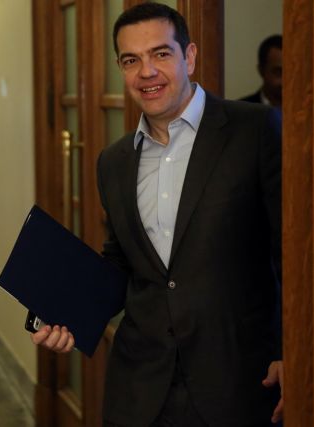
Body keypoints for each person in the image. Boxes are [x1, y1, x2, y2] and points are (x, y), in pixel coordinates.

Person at [32, 3, 283, 426]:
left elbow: (292, 252)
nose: (146, 72)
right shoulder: (113, 162)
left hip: (239, 381)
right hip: (140, 386)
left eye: (161, 54)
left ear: (190, 56)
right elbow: (122, 262)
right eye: (131, 60)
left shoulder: (256, 130)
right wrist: (68, 316)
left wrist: (291, 350)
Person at [239, 34, 282, 108]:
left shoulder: (303, 109)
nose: (286, 81)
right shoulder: (241, 109)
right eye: (278, 72)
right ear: (261, 70)